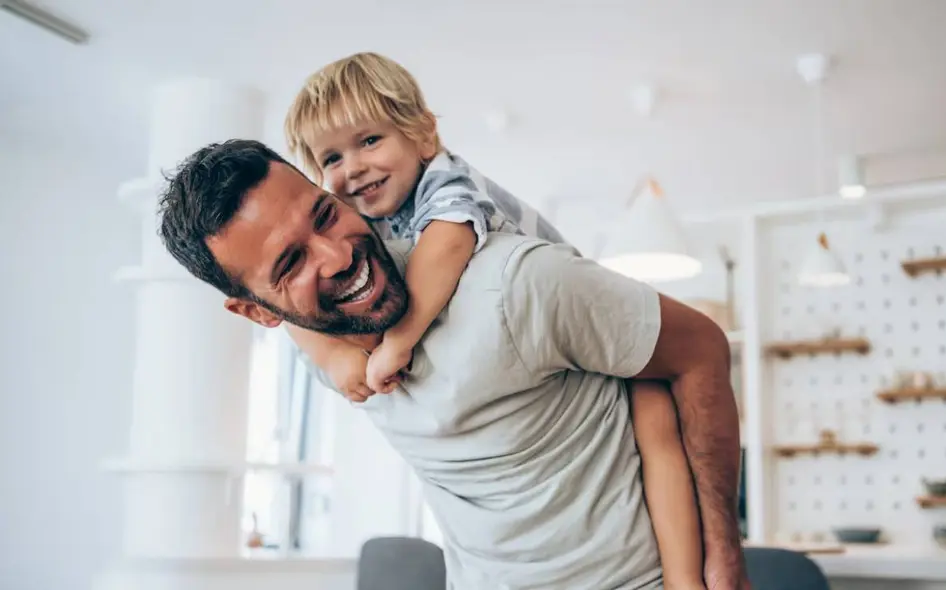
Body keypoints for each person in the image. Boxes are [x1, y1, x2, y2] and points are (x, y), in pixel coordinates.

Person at [157, 138, 748, 590]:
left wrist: (723, 557)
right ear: (261, 314)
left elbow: (701, 350)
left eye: (324, 215)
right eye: (290, 264)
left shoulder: (515, 285)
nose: (338, 256)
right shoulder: (324, 347)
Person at [281, 51, 706, 588]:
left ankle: (688, 578)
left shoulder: (446, 180)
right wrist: (335, 355)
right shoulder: (364, 224)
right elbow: (289, 308)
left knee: (656, 424)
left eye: (370, 141)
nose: (353, 167)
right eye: (332, 158)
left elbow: (449, 244)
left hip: (601, 333)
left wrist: (400, 341)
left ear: (423, 135)